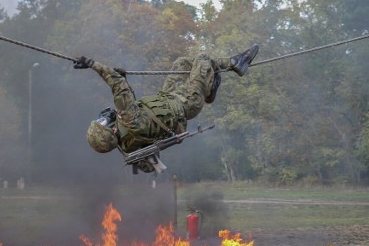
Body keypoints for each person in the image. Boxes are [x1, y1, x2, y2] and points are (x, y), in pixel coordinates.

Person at [73, 44, 259, 172]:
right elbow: (117, 84)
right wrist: (91, 64)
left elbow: (140, 115)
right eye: (102, 123)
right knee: (203, 59)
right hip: (186, 103)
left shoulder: (127, 143)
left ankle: (208, 91)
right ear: (111, 130)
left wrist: (125, 81)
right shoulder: (127, 118)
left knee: (182, 64)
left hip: (168, 96)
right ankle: (236, 64)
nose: (104, 119)